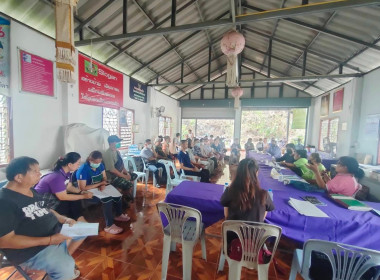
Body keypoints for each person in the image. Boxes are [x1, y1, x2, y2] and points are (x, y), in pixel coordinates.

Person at [0, 157, 83, 279]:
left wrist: (63, 219)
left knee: (82, 230)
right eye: (35, 171)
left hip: (53, 234)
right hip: (32, 250)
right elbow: (5, 241)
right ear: (19, 177)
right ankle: (63, 267)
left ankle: (62, 262)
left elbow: (46, 209)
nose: (40, 174)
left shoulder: (30, 190)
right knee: (65, 268)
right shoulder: (4, 202)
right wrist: (50, 240)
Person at [77, 151, 130, 235]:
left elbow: (104, 177)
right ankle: (109, 226)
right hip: (88, 190)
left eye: (99, 162)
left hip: (100, 187)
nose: (98, 164)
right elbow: (82, 187)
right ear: (90, 160)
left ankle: (118, 214)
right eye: (96, 162)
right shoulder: (83, 169)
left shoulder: (100, 166)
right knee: (107, 199)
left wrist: (103, 184)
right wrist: (100, 184)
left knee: (117, 195)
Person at [34, 152, 93, 221]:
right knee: (73, 201)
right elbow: (63, 197)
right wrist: (84, 196)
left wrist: (81, 192)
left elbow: (69, 187)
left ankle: (79, 219)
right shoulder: (57, 177)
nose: (79, 166)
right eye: (78, 163)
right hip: (44, 203)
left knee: (75, 198)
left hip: (55, 197)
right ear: (70, 164)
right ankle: (74, 220)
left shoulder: (67, 173)